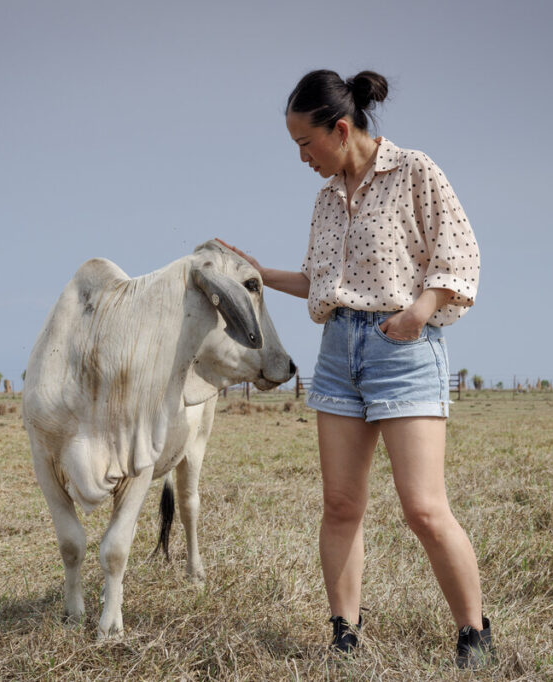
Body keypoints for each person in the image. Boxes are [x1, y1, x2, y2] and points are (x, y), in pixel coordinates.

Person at [219, 69, 492, 669]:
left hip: (404, 351)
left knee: (423, 508)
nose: (301, 159)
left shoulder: (415, 171)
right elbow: (322, 284)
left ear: (341, 129)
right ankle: (345, 635)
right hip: (338, 355)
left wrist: (418, 313)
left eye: (305, 145)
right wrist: (257, 272)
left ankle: (474, 634)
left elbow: (460, 256)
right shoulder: (324, 200)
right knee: (341, 505)